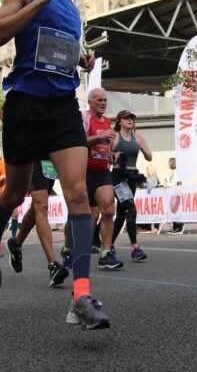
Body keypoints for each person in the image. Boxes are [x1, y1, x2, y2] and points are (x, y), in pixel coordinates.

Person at [0, 0, 109, 329]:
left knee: (78, 196)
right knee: (14, 193)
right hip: (24, 106)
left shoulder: (73, 9)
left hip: (62, 109)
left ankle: (81, 296)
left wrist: (79, 60)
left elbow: (56, 52)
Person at [6, 160, 70, 287]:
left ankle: (16, 244)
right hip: (34, 157)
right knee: (41, 204)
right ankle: (53, 266)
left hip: (50, 161)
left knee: (37, 207)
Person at [81, 88, 123, 269]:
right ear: (90, 102)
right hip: (83, 172)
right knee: (81, 215)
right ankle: (68, 248)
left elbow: (104, 145)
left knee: (108, 210)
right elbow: (78, 141)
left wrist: (111, 154)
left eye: (105, 100)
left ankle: (106, 253)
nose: (103, 103)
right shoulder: (84, 118)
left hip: (102, 172)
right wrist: (99, 136)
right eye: (99, 100)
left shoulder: (107, 121)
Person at [110, 109, 152, 261]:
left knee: (121, 214)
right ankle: (135, 248)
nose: (130, 120)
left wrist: (144, 150)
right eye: (126, 118)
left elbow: (149, 156)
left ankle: (109, 246)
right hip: (118, 177)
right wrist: (113, 156)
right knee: (131, 209)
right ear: (119, 121)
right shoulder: (114, 137)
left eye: (132, 118)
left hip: (132, 177)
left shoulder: (138, 137)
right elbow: (105, 157)